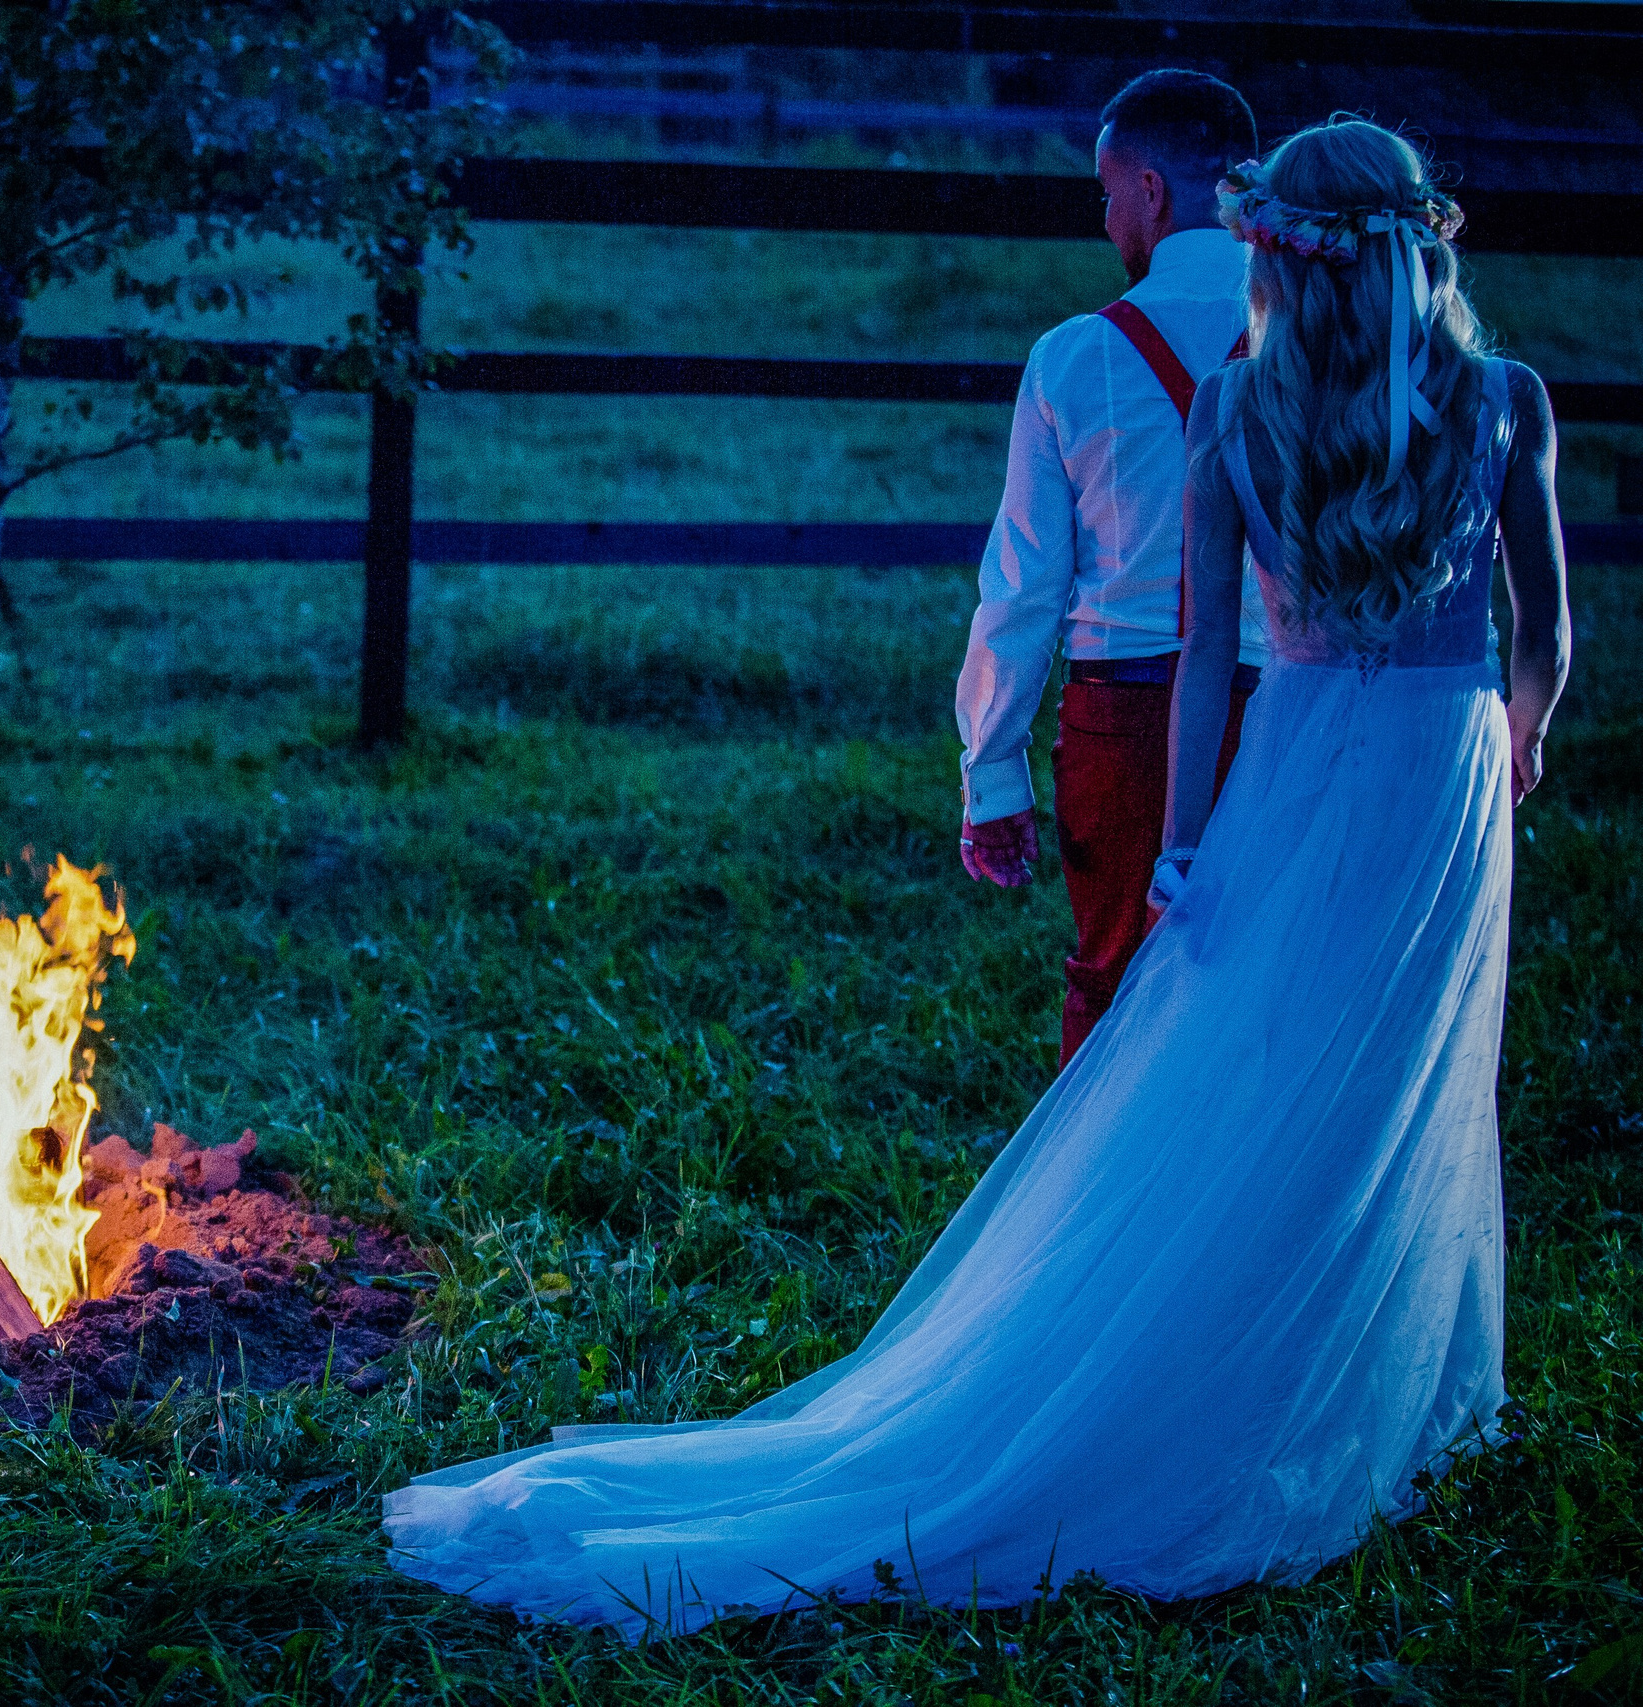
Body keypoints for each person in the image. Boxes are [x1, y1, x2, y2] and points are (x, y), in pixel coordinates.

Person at [381, 117, 1569, 1640]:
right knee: (1402, 1067)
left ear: (1275, 255)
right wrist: (1521, 732)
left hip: (1288, 768)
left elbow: (1207, 650)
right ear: (1420, 252)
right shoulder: (1505, 402)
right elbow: (1546, 631)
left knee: (1266, 1058)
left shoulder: (1233, 410)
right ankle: (1353, 1377)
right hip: (1438, 773)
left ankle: (1284, 1352)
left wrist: (1187, 845)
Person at [955, 70, 1269, 1065]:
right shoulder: (1312, 346)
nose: (1104, 220)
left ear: (1150, 191)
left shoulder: (1072, 358)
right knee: (1269, 988)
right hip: (1284, 708)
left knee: (1114, 985)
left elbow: (1023, 587)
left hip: (1123, 716)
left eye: (1105, 192)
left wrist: (992, 770)